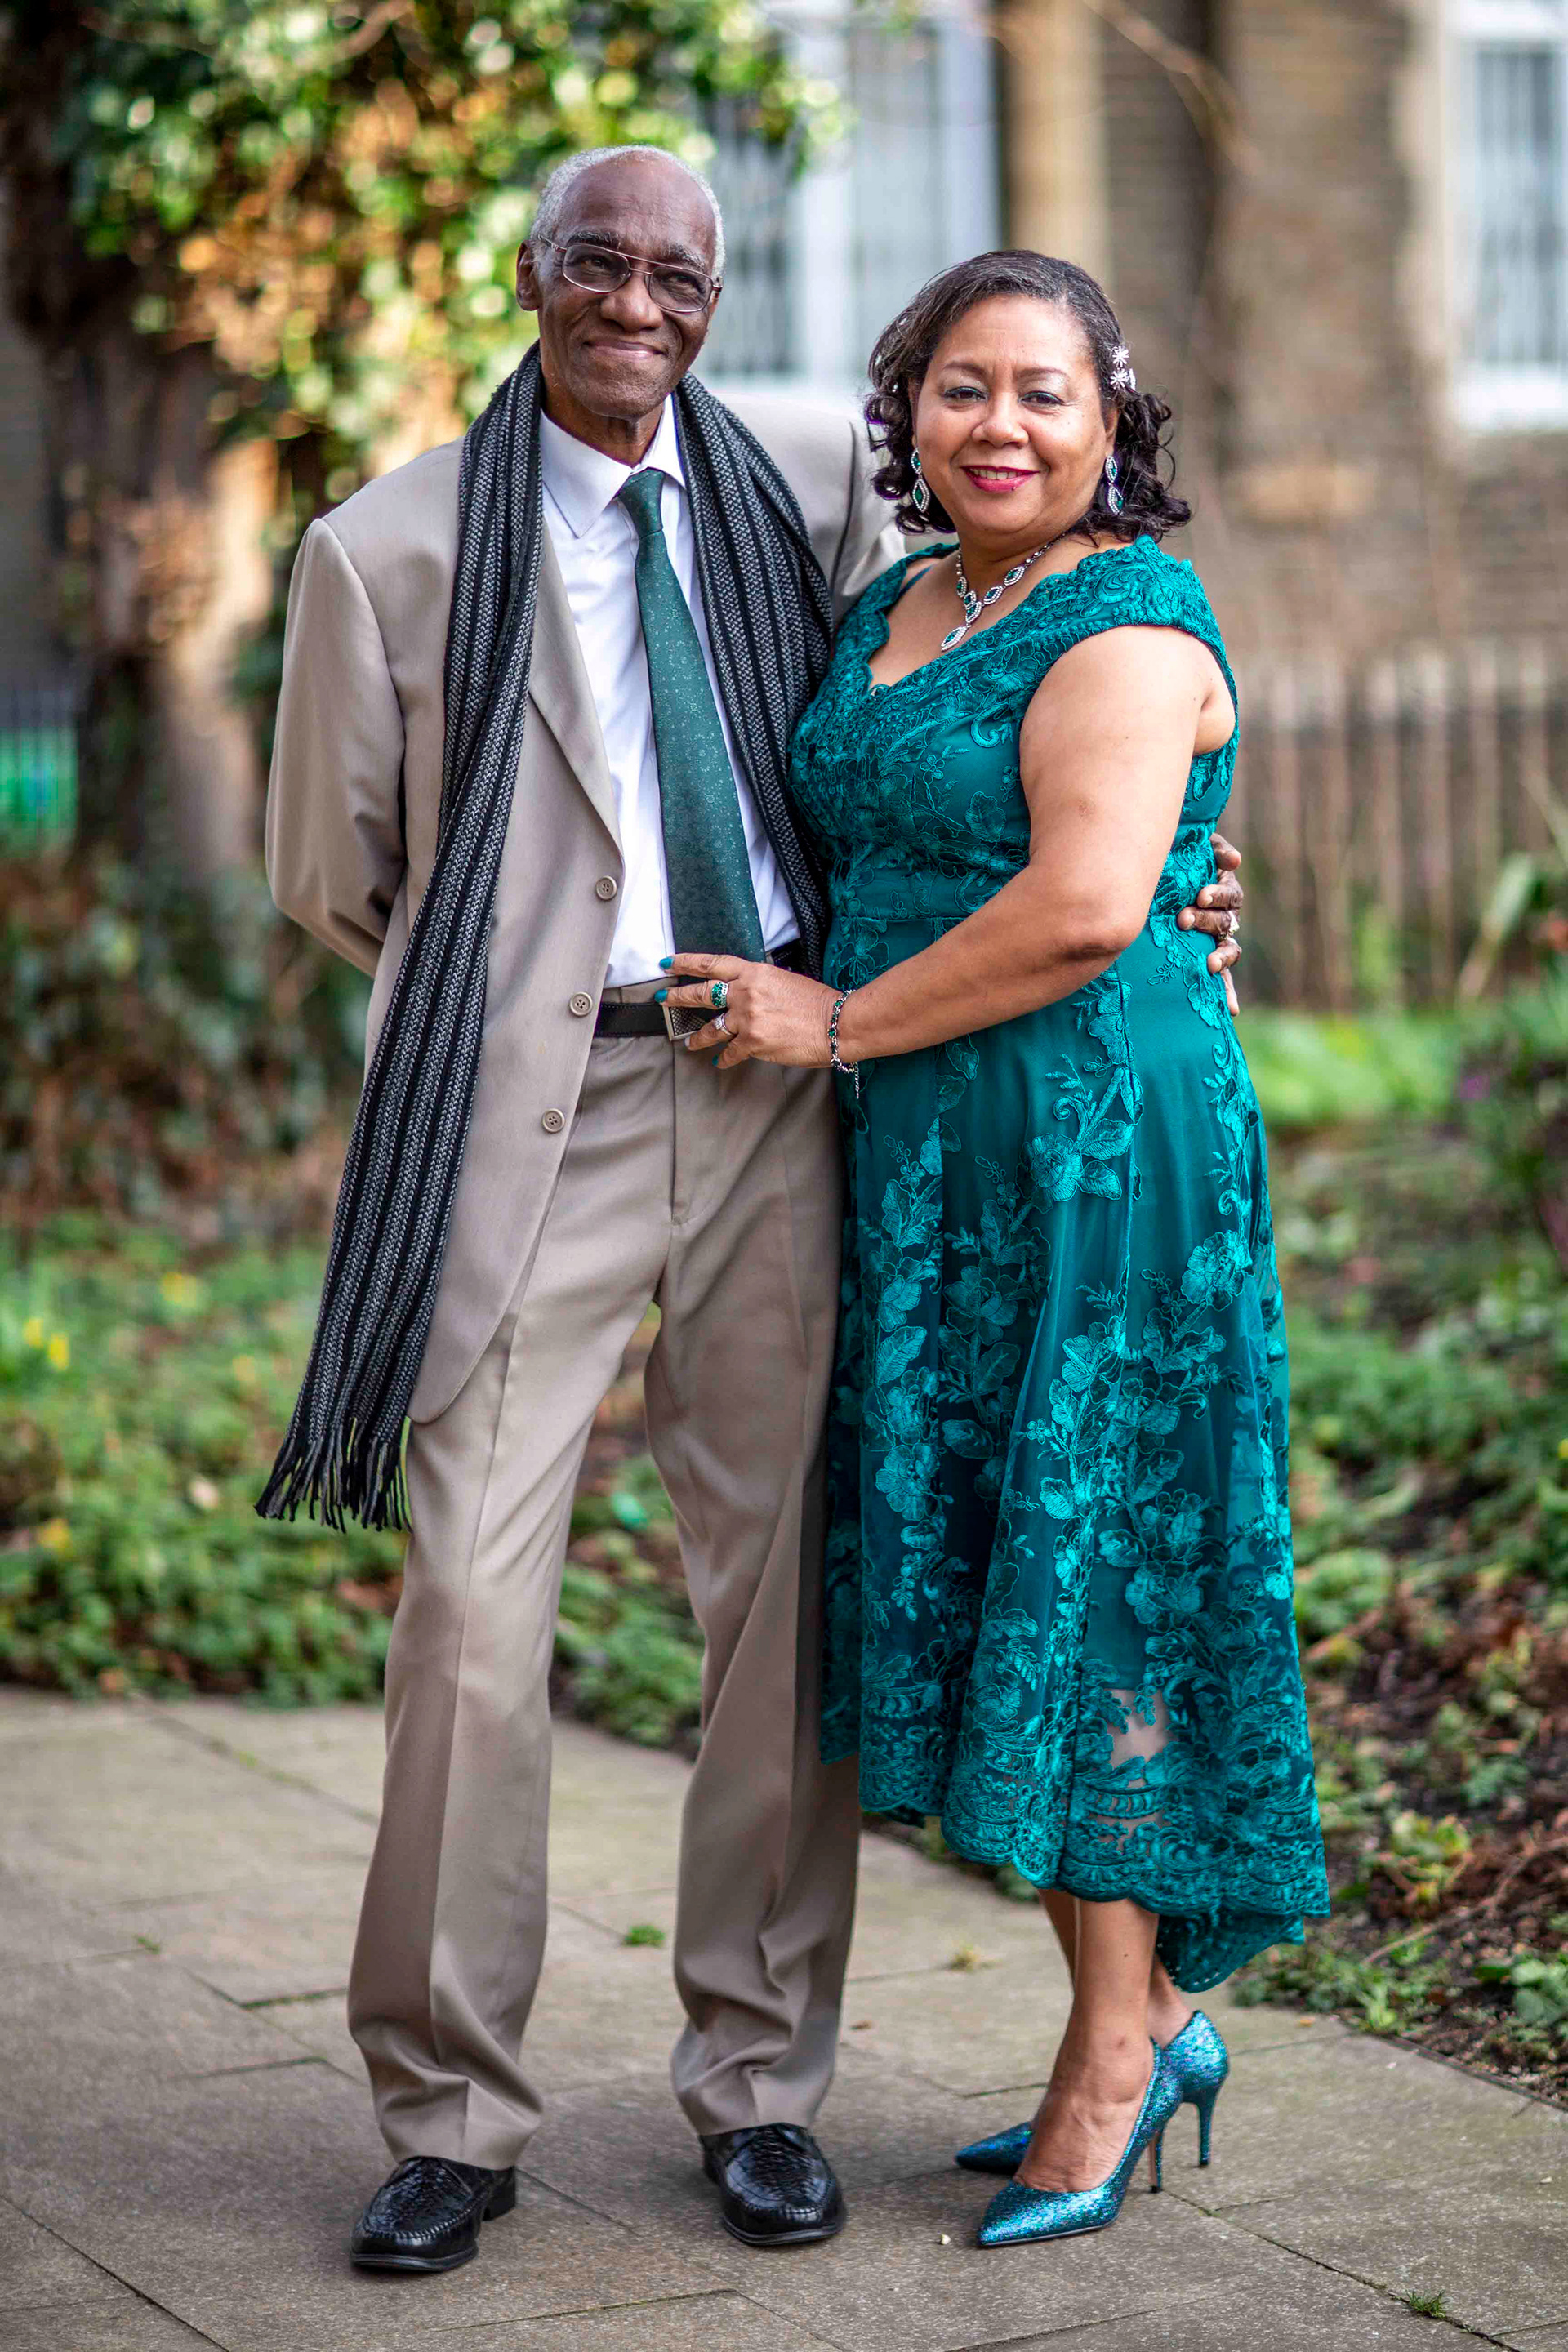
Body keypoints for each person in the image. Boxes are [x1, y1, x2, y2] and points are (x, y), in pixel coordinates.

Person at [264, 146, 1245, 2274]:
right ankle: (448, 2110)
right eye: (596, 264)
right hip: (537, 1111)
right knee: (469, 1609)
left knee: (780, 1616)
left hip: (791, 1097)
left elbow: (1021, 701)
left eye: (678, 273)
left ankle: (761, 2084)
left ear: (720, 299)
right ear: (533, 276)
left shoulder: (806, 482)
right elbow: (336, 875)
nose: (636, 304)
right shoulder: (384, 550)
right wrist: (544, 988)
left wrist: (1179, 875)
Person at [658, 250, 1328, 2251]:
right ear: (908, 414)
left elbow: (1090, 904)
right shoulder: (903, 601)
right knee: (1003, 1564)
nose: (1004, 425)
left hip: (1097, 1149)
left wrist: (837, 1025)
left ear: (1113, 419)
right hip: (937, 1158)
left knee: (1089, 1567)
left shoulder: (1129, 616)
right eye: (964, 387)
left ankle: (1119, 2055)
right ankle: (1146, 2023)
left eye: (1046, 391)